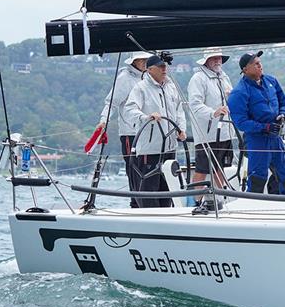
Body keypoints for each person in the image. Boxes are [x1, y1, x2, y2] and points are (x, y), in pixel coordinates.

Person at [228, 51, 285, 195]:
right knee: (258, 178)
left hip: (275, 137)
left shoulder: (272, 81)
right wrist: (264, 127)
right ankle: (253, 209)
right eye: (255, 64)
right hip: (257, 140)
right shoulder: (239, 92)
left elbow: (283, 102)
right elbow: (241, 122)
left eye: (260, 62)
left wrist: (283, 114)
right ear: (245, 70)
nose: (260, 65)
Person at [123, 54, 187, 208]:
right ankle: (149, 218)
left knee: (167, 186)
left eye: (165, 66)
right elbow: (129, 110)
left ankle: (166, 218)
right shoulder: (140, 88)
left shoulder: (171, 87)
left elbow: (179, 111)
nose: (165, 69)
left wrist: (182, 129)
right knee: (148, 187)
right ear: (150, 70)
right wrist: (146, 117)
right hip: (149, 148)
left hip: (170, 147)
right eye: (161, 66)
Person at [96, 51, 149, 207]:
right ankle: (135, 202)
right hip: (129, 131)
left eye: (146, 59)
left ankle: (146, 201)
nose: (144, 62)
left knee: (146, 168)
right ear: (134, 61)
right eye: (141, 59)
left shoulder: (148, 78)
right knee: (133, 168)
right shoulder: (124, 78)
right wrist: (103, 121)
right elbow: (111, 102)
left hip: (146, 131)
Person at [187, 48, 234, 211]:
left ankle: (218, 198)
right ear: (206, 60)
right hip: (207, 134)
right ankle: (195, 201)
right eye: (214, 58)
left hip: (225, 131)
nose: (218, 61)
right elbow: (194, 105)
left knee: (220, 168)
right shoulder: (198, 79)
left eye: (219, 57)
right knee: (202, 169)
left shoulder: (224, 77)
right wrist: (213, 112)